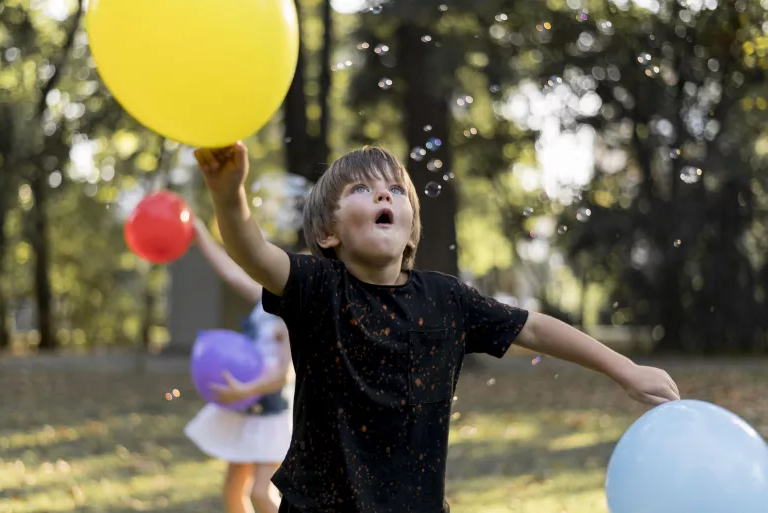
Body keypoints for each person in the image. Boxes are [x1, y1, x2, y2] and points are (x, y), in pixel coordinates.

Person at [194, 143, 680, 513]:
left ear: (410, 228)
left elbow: (532, 328)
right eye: (361, 189)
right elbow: (251, 250)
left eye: (396, 189)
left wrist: (624, 368)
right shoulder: (317, 288)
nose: (384, 193)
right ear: (328, 233)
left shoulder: (446, 299)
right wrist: (227, 193)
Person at [184, 218, 292, 513]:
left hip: (270, 410)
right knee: (233, 488)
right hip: (245, 404)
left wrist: (244, 389)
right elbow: (231, 275)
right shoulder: (264, 298)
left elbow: (282, 376)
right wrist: (201, 236)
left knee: (261, 492)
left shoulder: (291, 313)